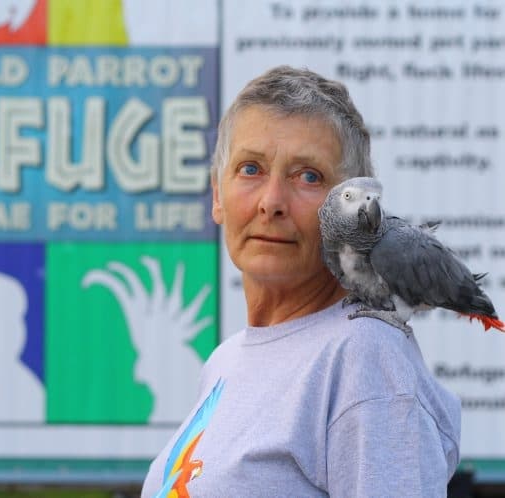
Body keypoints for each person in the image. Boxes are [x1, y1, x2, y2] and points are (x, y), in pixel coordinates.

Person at [141, 66, 461, 497]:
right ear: (217, 195)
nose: (272, 202)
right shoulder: (227, 359)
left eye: (308, 176)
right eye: (250, 168)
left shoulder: (364, 357)